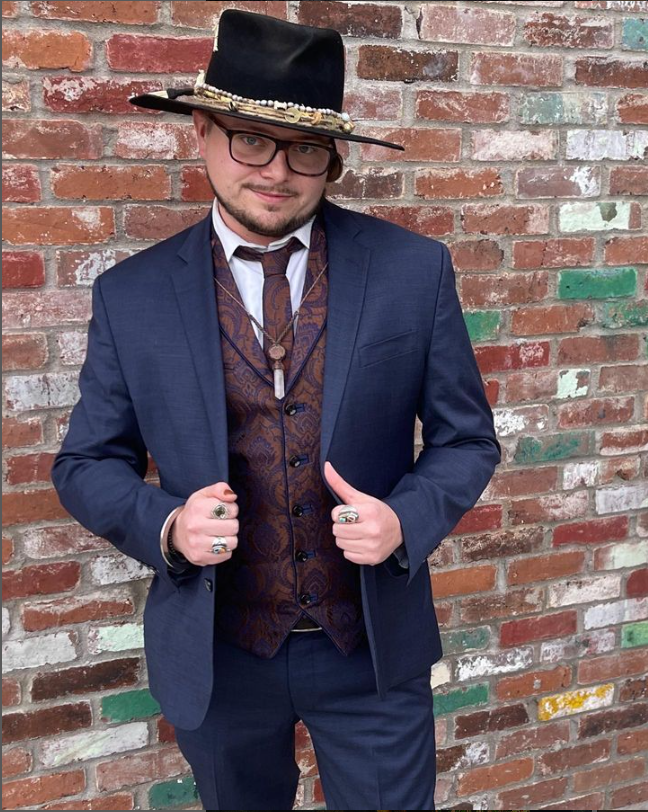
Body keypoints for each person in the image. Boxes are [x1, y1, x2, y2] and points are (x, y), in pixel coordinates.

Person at [51, 9, 501, 811]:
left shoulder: (413, 271)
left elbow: (468, 440)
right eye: (250, 139)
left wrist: (405, 520)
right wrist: (166, 527)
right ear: (201, 130)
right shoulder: (133, 296)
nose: (277, 170)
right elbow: (85, 463)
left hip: (370, 648)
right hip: (220, 655)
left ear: (331, 157)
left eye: (306, 149)